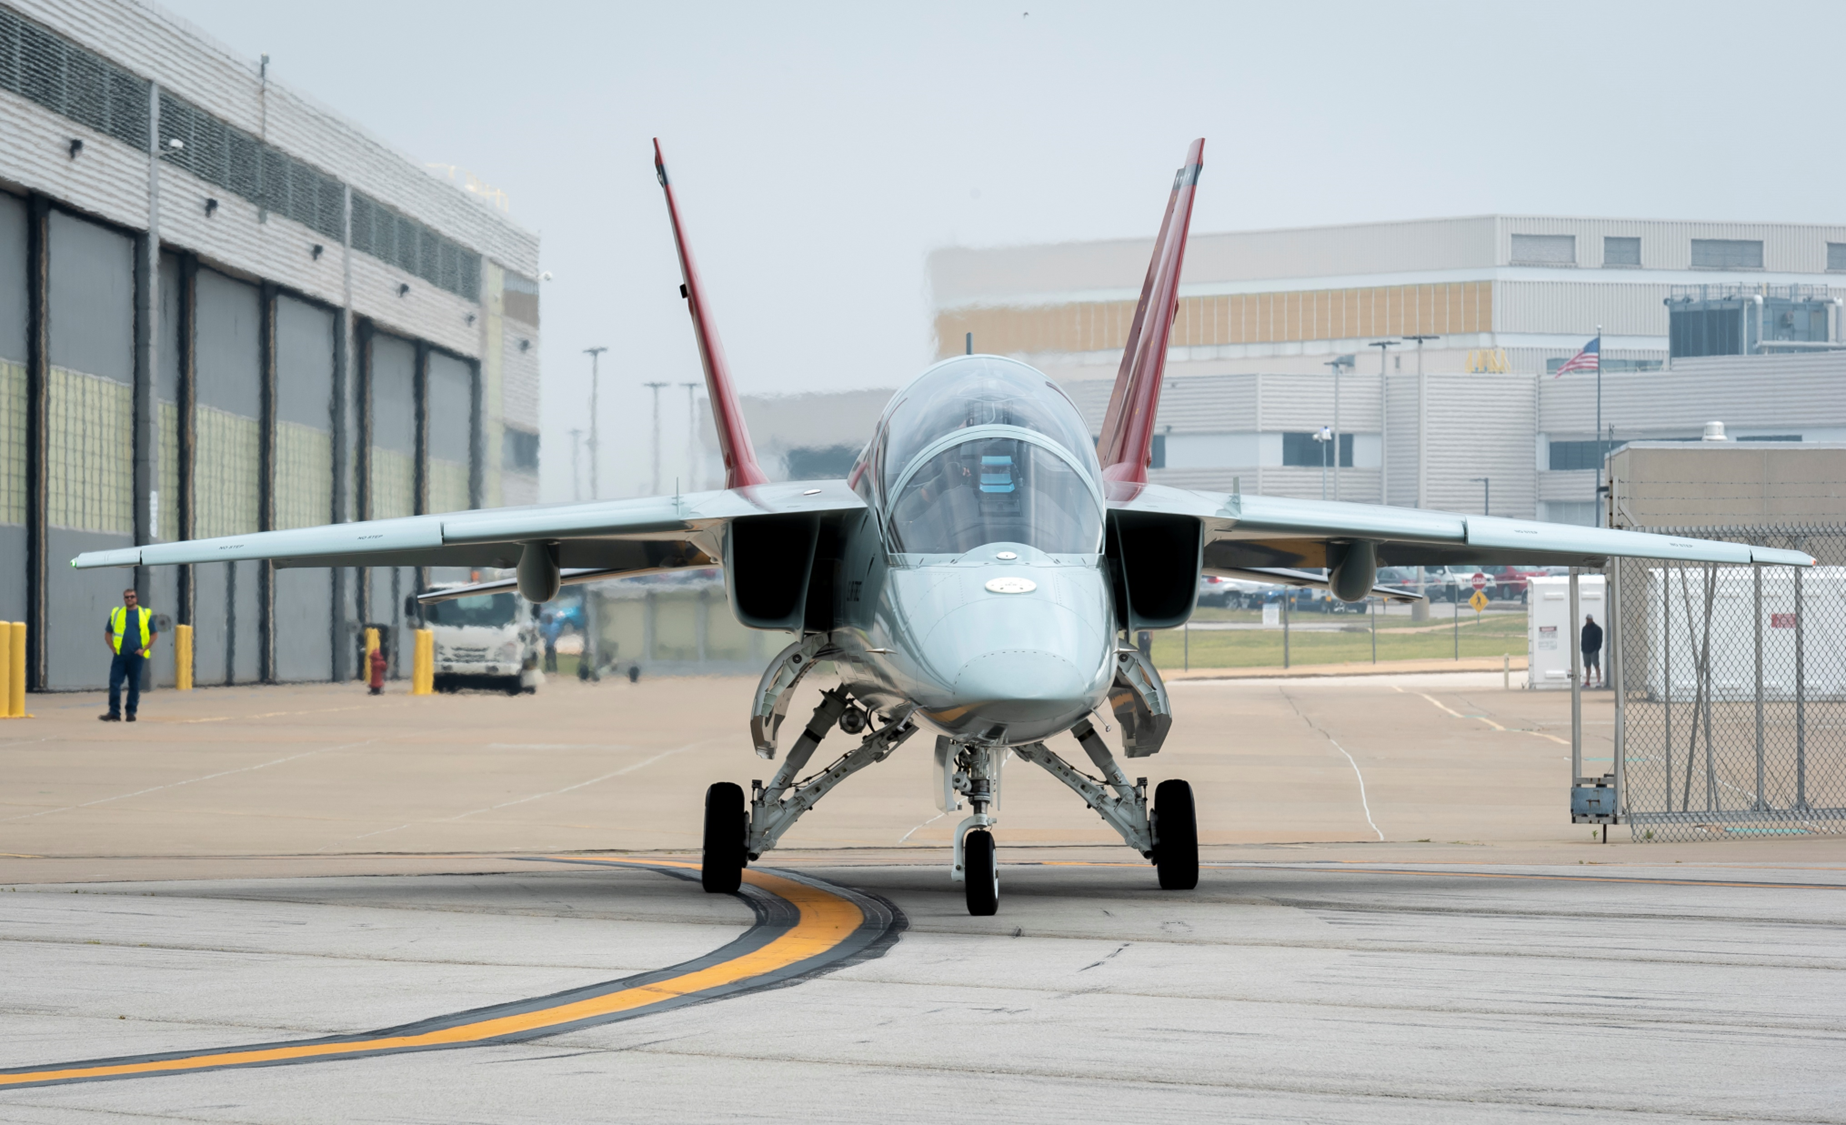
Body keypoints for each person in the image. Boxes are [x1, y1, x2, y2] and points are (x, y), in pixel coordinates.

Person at [101, 587, 156, 722]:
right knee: (114, 683)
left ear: (136, 598)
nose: (129, 599)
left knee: (134, 685)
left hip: (136, 656)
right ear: (124, 599)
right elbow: (108, 633)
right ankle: (114, 712)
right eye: (127, 597)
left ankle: (131, 712)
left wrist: (144, 649)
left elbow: (154, 634)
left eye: (132, 596)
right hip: (120, 655)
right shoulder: (117, 613)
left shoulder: (144, 614)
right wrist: (113, 649)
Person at [1580, 613, 1604, 689]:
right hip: (1585, 650)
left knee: (1596, 665)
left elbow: (1599, 640)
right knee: (1587, 666)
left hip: (1593, 650)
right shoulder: (1584, 629)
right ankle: (1587, 681)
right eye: (1587, 619)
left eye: (1589, 619)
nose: (1587, 620)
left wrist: (1596, 649)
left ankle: (1598, 681)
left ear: (1592, 619)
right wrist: (1583, 648)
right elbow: (1582, 639)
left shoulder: (1597, 629)